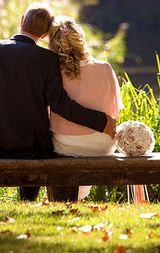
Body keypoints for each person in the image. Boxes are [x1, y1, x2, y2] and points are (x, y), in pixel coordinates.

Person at [0, 2, 117, 201]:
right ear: (44, 35)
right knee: (38, 152)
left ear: (22, 20)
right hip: (28, 148)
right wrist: (102, 122)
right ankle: (27, 202)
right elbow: (61, 105)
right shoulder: (47, 60)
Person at [47, 16, 131, 201]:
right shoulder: (104, 68)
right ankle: (78, 198)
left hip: (66, 144)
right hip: (102, 145)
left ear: (53, 45)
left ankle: (72, 199)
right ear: (81, 41)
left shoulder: (54, 74)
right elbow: (114, 112)